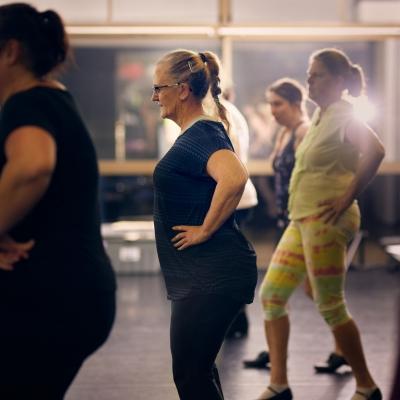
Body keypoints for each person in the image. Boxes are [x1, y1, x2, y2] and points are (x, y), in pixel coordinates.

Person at [0, 3, 116, 399]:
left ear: (11, 51)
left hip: (53, 298)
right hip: (69, 293)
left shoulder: (28, 102)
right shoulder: (51, 100)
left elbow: (32, 168)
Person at [257, 48, 385, 400]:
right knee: (271, 296)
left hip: (327, 219)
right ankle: (279, 384)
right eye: (309, 74)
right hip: (301, 219)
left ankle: (366, 385)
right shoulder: (320, 116)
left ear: (340, 81)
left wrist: (346, 198)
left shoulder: (345, 115)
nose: (310, 80)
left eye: (318, 75)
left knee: (330, 304)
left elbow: (375, 151)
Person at [151, 49, 257, 400]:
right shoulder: (196, 134)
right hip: (201, 274)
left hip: (211, 273)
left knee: (190, 372)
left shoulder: (202, 134)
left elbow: (235, 177)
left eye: (159, 87)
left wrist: (205, 229)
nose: (154, 96)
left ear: (182, 89)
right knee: (197, 370)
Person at [245, 78, 349, 373]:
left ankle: (343, 350)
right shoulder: (285, 132)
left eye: (277, 104)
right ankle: (275, 348)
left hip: (307, 219)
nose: (272, 110)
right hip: (289, 219)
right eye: (270, 104)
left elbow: (316, 173)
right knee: (284, 290)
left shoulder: (304, 131)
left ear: (294, 104)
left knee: (317, 291)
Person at [221, 86, 258, 338]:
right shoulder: (232, 111)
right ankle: (236, 319)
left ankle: (236, 319)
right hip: (242, 195)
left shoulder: (219, 114)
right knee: (229, 260)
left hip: (235, 196)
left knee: (228, 262)